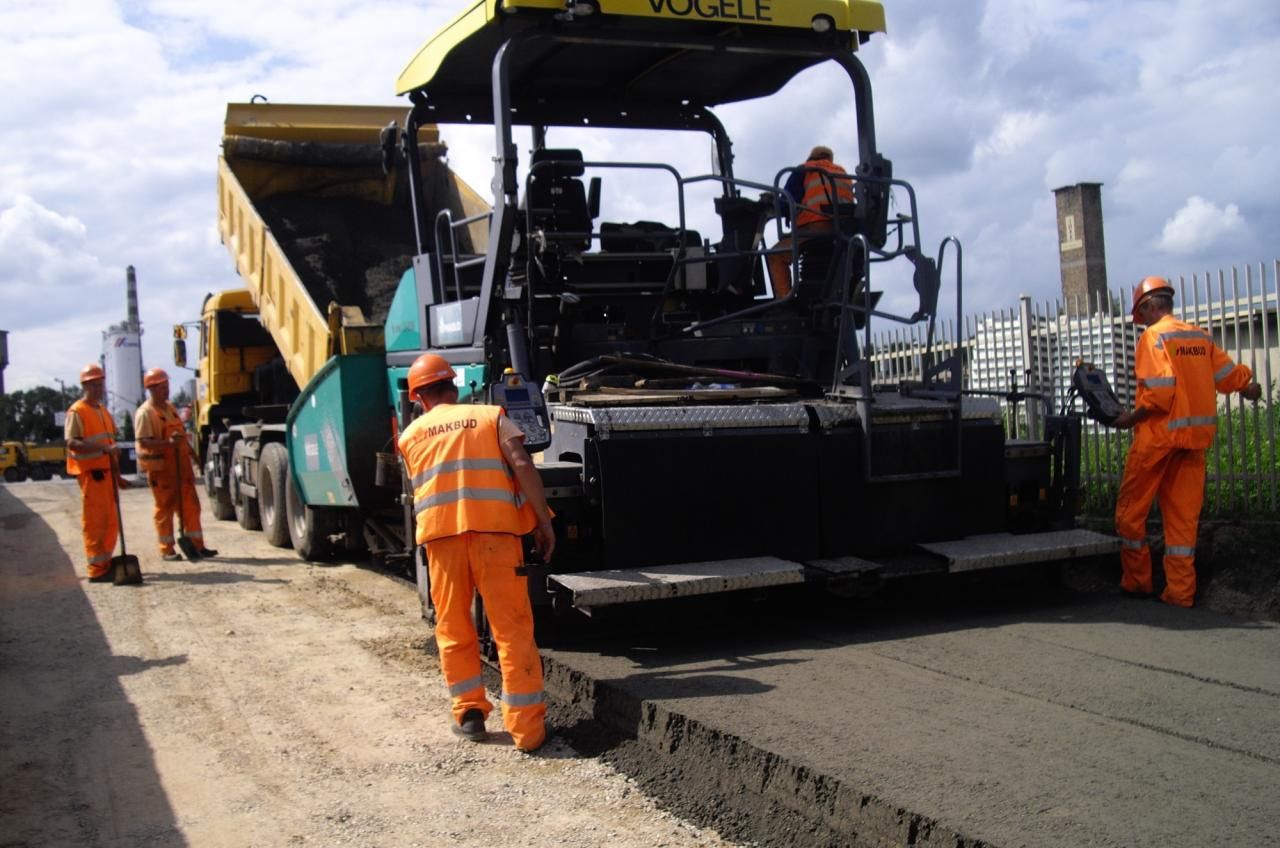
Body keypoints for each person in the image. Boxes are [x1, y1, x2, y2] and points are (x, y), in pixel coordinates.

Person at [397, 354, 556, 751]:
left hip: (442, 542)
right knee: (512, 628)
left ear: (418, 397)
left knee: (453, 628)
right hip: (495, 536)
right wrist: (543, 521)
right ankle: (528, 733)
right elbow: (521, 461)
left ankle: (469, 715)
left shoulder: (410, 436)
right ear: (453, 386)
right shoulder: (491, 416)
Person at [1106, 277, 1262, 607]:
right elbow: (1229, 378)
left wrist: (1127, 420)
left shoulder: (1154, 337)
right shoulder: (1198, 337)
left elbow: (1160, 396)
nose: (1142, 322)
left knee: (1130, 514)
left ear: (1150, 306)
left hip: (1157, 440)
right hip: (1192, 444)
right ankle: (1179, 592)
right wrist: (1248, 387)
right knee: (1181, 522)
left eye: (1141, 314)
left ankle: (1137, 582)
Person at [134, 368, 216, 560]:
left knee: (191, 507)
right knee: (165, 509)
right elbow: (144, 441)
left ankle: (197, 546)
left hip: (182, 468)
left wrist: (194, 456)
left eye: (167, 386)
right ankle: (167, 549)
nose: (167, 390)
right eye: (162, 387)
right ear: (151, 389)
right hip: (162, 471)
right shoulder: (146, 413)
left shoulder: (170, 408)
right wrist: (167, 444)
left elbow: (179, 436)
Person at [64, 363, 129, 583]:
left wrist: (118, 475)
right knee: (95, 523)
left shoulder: (102, 412)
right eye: (94, 384)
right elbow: (72, 443)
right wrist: (102, 450)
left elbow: (111, 445)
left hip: (107, 475)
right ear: (84, 385)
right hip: (92, 476)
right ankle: (97, 569)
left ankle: (105, 563)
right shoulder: (77, 411)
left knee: (110, 522)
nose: (99, 388)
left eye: (101, 384)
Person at [765, 145, 856, 298]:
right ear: (829, 160)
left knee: (776, 256)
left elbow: (786, 204)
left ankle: (784, 302)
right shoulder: (843, 174)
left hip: (815, 229)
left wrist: (772, 204)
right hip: (843, 234)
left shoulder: (804, 171)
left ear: (811, 158)